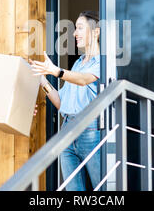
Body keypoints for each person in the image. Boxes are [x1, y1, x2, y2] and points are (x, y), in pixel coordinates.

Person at [30, 10, 101, 191]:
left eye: (79, 28)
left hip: (90, 132)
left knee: (103, 189)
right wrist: (43, 80)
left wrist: (56, 71)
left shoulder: (103, 62)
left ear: (96, 31)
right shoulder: (77, 64)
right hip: (67, 130)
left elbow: (84, 80)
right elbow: (62, 103)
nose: (75, 33)